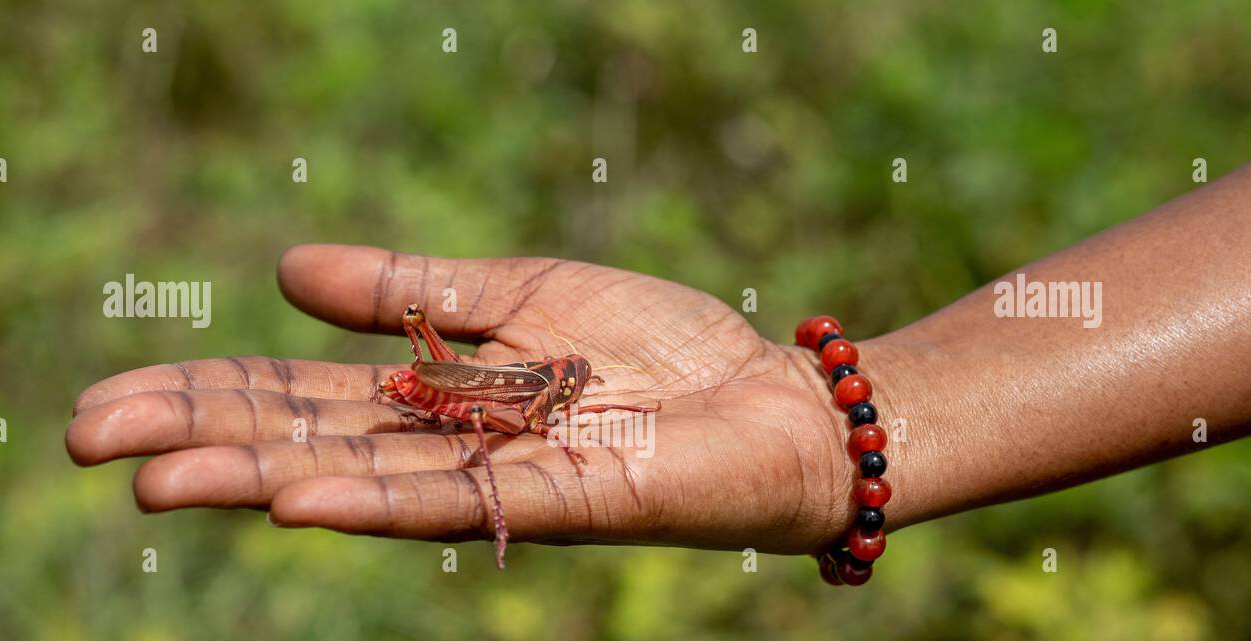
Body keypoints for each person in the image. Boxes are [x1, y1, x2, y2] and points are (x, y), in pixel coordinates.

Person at [66, 166, 1251, 561]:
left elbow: (537, 407)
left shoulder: (563, 396)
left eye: (572, 388)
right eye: (570, 387)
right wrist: (454, 403)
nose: (572, 393)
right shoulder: (520, 390)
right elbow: (496, 407)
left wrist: (827, 420)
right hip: (449, 393)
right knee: (452, 394)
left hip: (467, 401)